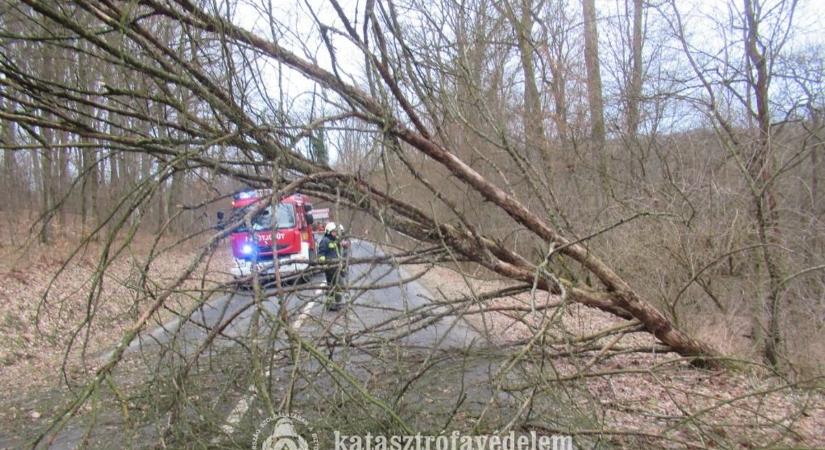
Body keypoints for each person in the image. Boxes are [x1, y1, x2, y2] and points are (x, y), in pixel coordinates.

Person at [317, 221, 345, 311]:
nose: (335, 234)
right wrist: (324, 263)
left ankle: (330, 305)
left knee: (331, 287)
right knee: (339, 285)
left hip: (335, 267)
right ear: (328, 231)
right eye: (333, 232)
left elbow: (337, 253)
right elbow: (321, 254)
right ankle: (338, 304)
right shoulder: (325, 241)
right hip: (330, 268)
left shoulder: (333, 241)